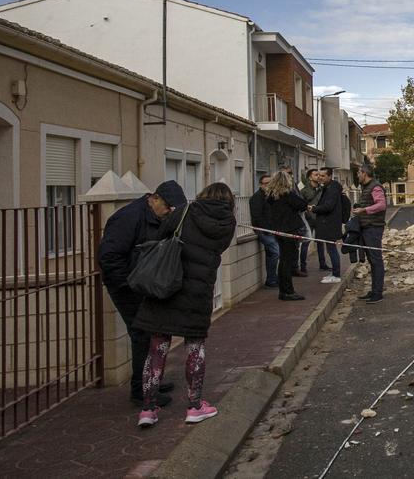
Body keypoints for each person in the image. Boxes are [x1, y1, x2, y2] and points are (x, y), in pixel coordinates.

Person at [135, 182, 237, 428]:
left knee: (157, 349)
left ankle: (148, 409)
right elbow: (218, 249)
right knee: (195, 347)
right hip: (198, 291)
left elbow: (159, 236)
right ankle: (194, 406)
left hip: (166, 286)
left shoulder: (184, 211)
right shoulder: (228, 224)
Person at [98, 180, 187, 408]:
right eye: (167, 208)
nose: (168, 213)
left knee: (152, 333)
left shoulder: (157, 217)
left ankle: (152, 380)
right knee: (142, 334)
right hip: (128, 287)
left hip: (145, 285)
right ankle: (141, 391)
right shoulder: (128, 218)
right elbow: (109, 257)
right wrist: (131, 284)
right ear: (154, 198)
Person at [264, 170, 308, 301]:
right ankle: (288, 291)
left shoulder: (271, 196)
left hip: (279, 230)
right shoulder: (287, 195)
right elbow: (302, 205)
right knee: (287, 261)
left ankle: (284, 290)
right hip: (289, 230)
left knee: (283, 261)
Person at [352, 165, 388, 304]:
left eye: (358, 173)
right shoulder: (367, 187)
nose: (357, 176)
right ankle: (374, 290)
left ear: (364, 173)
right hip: (367, 227)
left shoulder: (375, 187)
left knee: (376, 260)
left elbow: (381, 205)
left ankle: (377, 293)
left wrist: (363, 210)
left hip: (373, 228)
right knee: (372, 261)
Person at [309, 168, 344, 284]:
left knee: (332, 249)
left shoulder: (332, 189)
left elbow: (328, 206)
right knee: (330, 249)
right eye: (319, 175)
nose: (320, 178)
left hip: (330, 223)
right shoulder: (327, 187)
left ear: (329, 176)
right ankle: (334, 272)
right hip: (328, 223)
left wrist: (314, 209)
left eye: (323, 176)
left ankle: (336, 274)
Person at [249, 175, 280, 288]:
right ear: (261, 184)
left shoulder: (272, 196)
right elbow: (257, 216)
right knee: (276, 252)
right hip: (264, 230)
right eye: (265, 183)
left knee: (271, 254)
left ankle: (272, 278)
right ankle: (272, 279)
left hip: (273, 229)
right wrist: (267, 229)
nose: (268, 185)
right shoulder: (257, 198)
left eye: (270, 183)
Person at [299, 168, 322, 274]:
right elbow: (302, 203)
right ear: (310, 177)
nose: (318, 176)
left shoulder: (322, 189)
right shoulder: (304, 190)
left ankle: (323, 264)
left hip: (320, 218)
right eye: (315, 174)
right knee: (306, 242)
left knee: (321, 241)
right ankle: (303, 266)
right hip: (308, 219)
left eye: (319, 175)